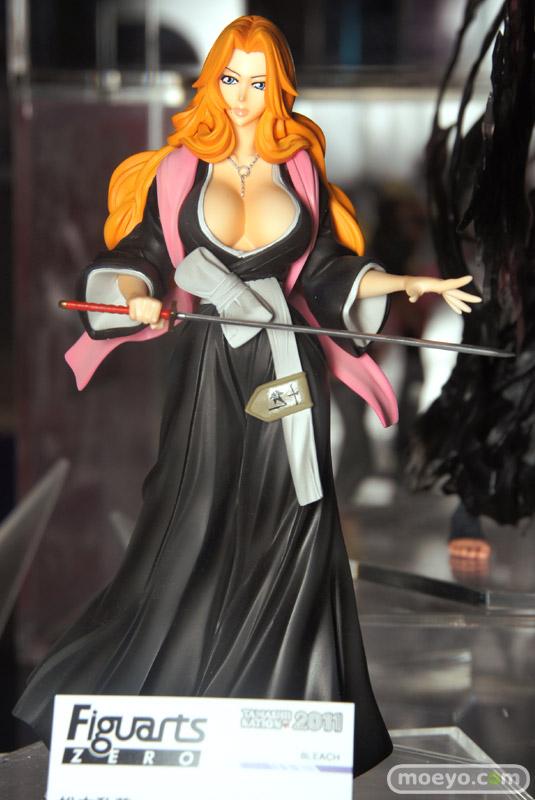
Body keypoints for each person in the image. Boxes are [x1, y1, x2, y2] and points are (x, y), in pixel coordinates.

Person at [14, 16, 479, 777]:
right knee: (193, 514)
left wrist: (402, 282)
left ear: (279, 88)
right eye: (230, 78)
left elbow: (325, 267)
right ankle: (152, 685)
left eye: (258, 82)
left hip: (286, 367)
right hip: (209, 370)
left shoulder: (298, 170)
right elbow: (141, 252)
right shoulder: (178, 171)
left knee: (295, 514)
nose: (241, 95)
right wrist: (133, 293)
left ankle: (291, 700)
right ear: (213, 80)